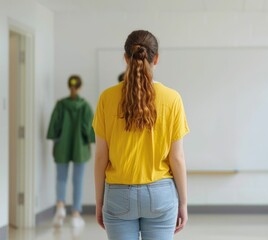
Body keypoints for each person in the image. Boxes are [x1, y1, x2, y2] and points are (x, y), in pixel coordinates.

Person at [93, 30, 190, 240]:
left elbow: (101, 157)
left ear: (126, 58)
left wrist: (99, 202)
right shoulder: (172, 99)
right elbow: (177, 158)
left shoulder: (106, 98)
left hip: (117, 194)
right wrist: (183, 202)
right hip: (161, 195)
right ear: (156, 58)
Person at [47, 75, 95, 228]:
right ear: (80, 87)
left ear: (69, 86)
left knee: (61, 178)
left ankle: (60, 206)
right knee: (78, 181)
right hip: (79, 148)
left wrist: (55, 140)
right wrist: (89, 140)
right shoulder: (85, 106)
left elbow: (54, 125)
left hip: (62, 146)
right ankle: (75, 214)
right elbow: (89, 128)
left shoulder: (61, 105)